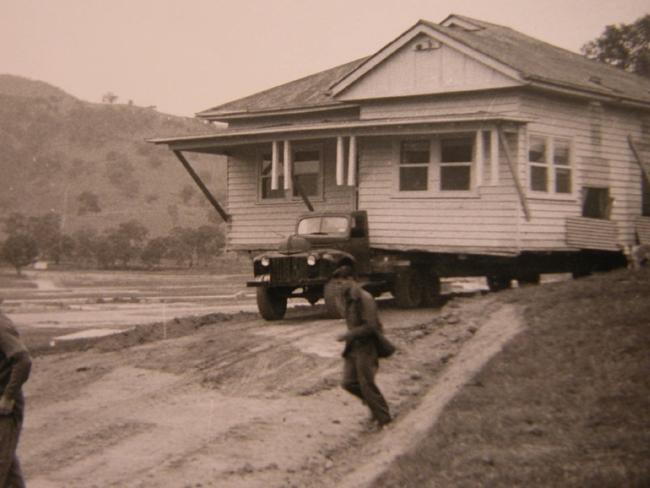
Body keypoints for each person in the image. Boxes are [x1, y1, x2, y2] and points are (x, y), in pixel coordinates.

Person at [334, 266, 395, 429]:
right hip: (354, 347)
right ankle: (373, 406)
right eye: (338, 283)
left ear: (351, 280)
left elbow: (371, 326)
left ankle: (384, 419)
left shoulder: (364, 298)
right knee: (348, 382)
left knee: (366, 383)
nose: (339, 286)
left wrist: (348, 335)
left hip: (367, 346)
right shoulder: (347, 298)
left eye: (342, 282)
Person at [0, 300, 32, 488]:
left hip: (5, 406)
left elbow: (23, 360)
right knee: (8, 464)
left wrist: (8, 397)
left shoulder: (1, 326)